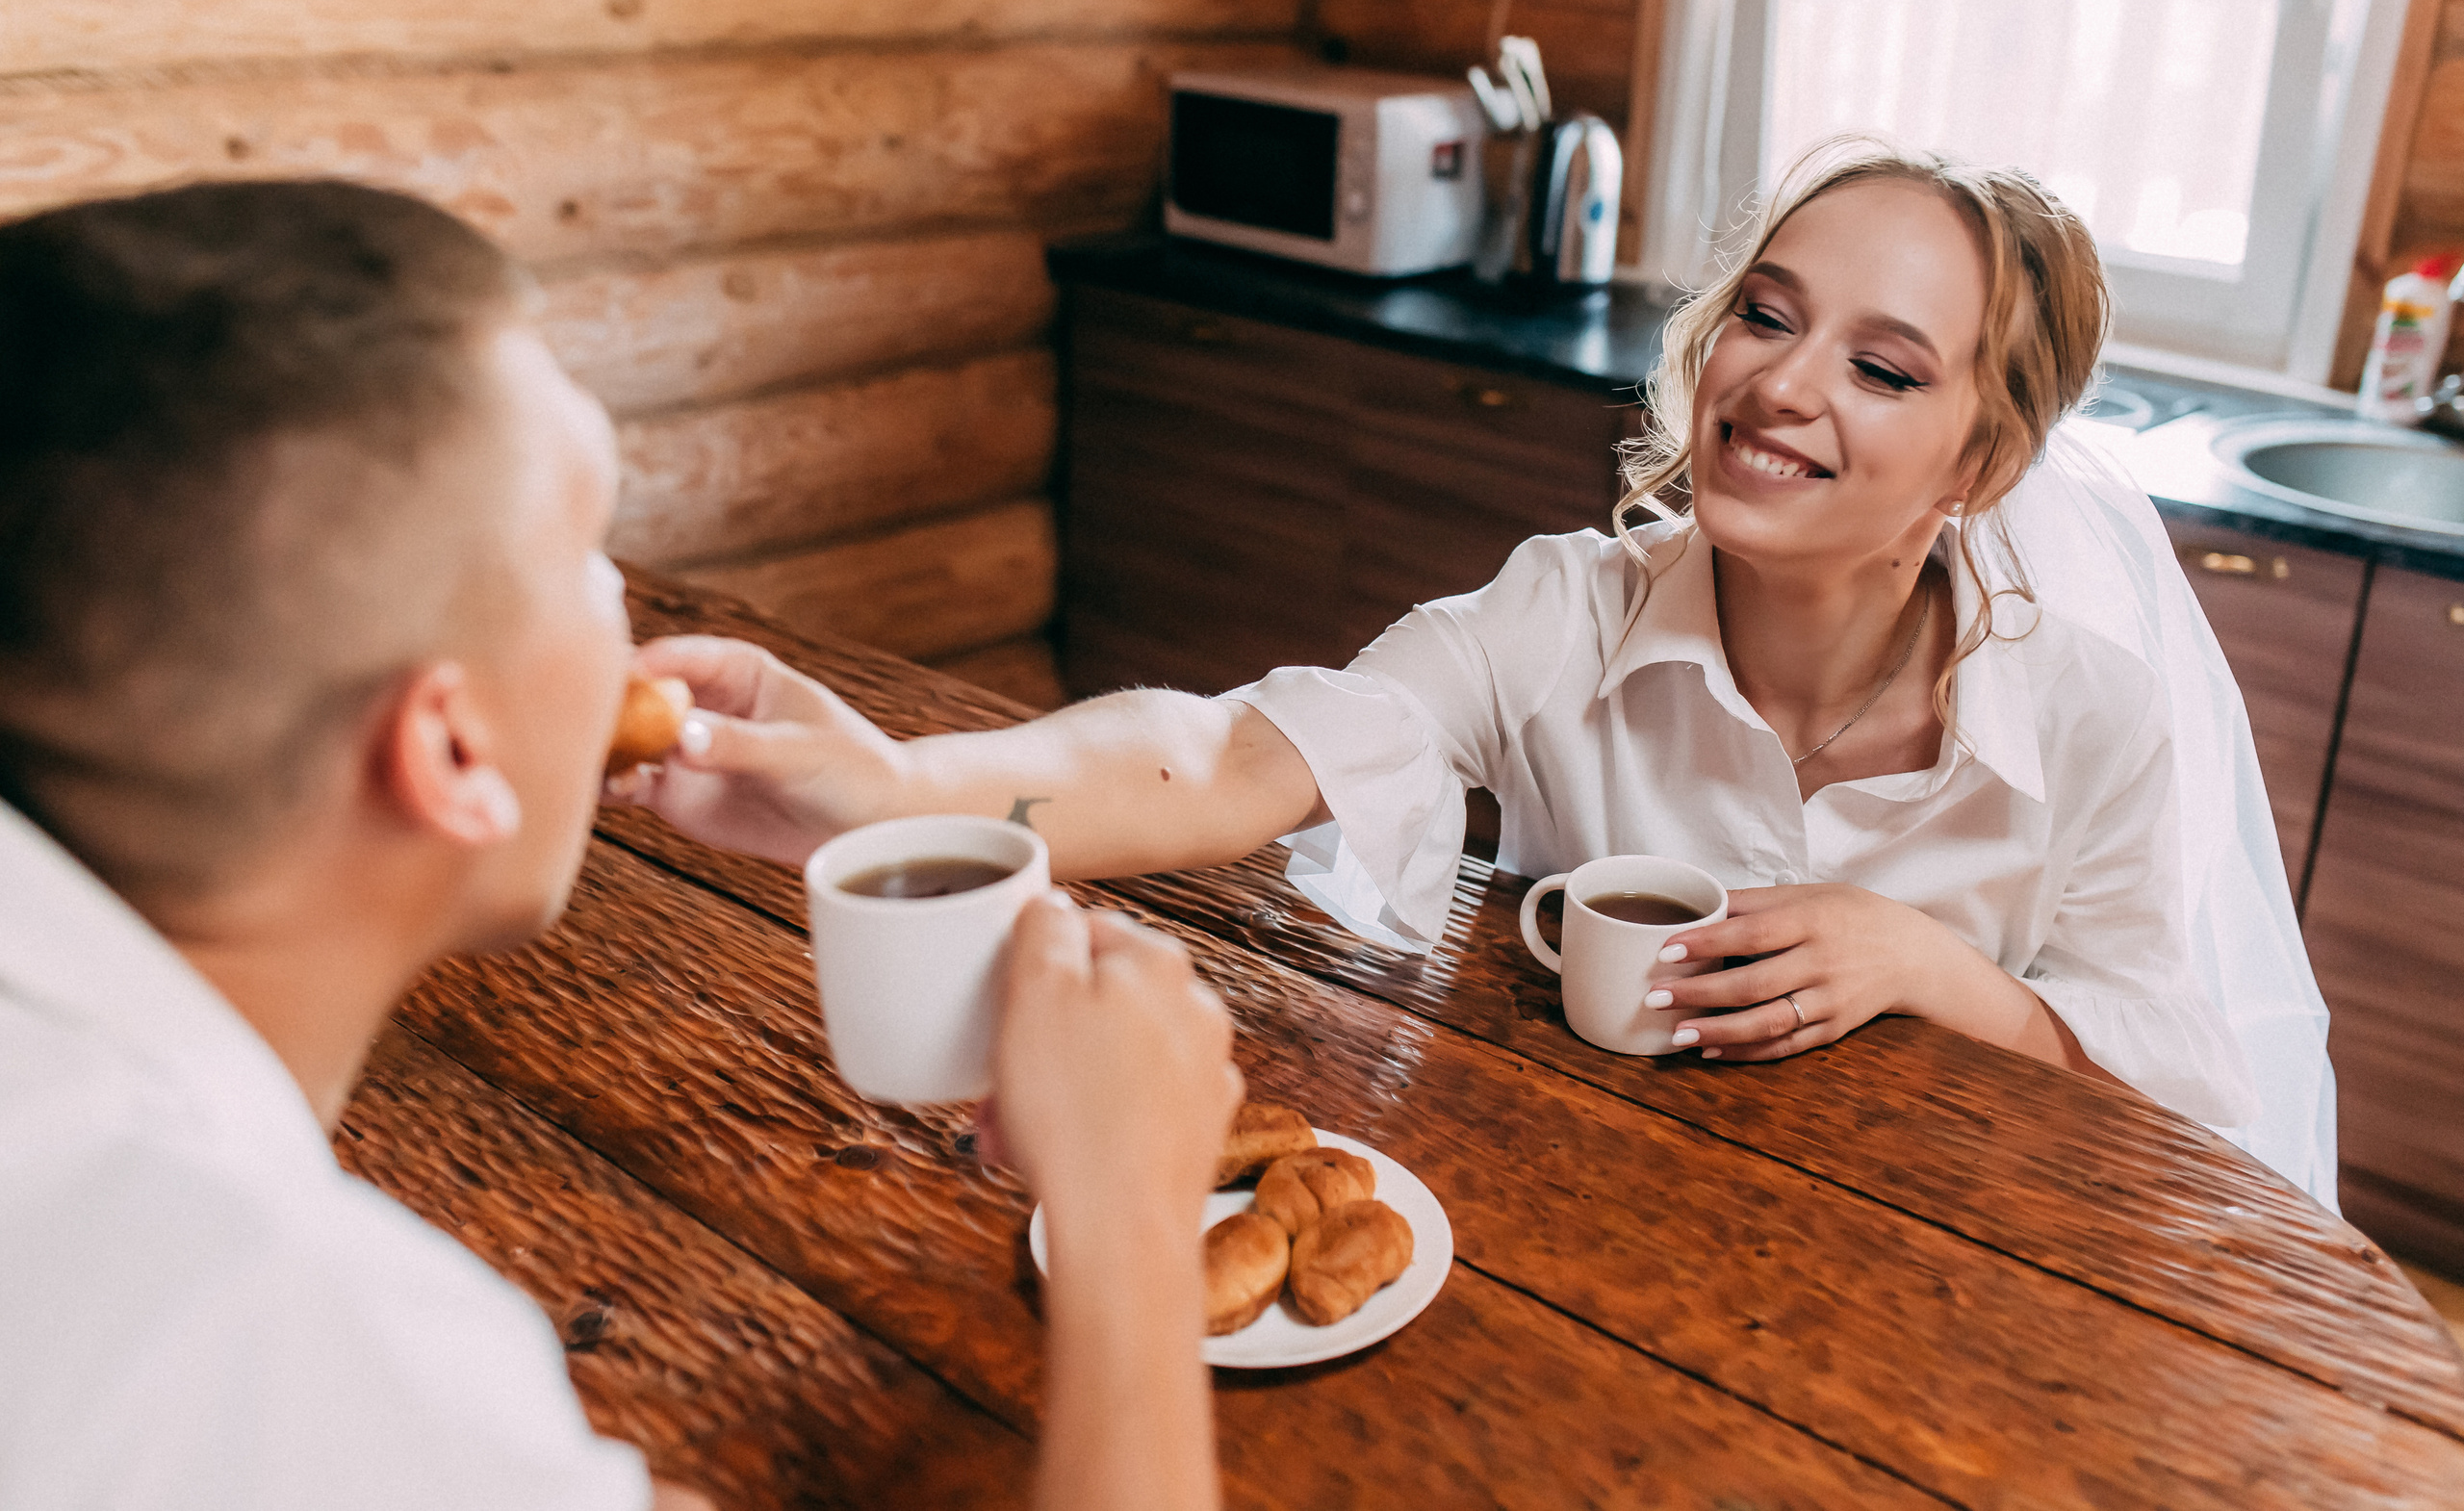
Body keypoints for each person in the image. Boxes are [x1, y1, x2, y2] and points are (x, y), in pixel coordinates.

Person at [614, 140, 2334, 1207]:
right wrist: (895, 783)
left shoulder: (2089, 717)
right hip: (1578, 1220)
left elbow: (2178, 1082)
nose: (1782, 384)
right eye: (1766, 313)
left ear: (1978, 467)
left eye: (1883, 366)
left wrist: (1928, 967)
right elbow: (1228, 754)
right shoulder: (1563, 613)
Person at [0, 180, 1238, 1511]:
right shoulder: (298, 1343)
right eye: (588, 550)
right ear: (453, 753)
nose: (627, 602)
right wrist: (1132, 1224)